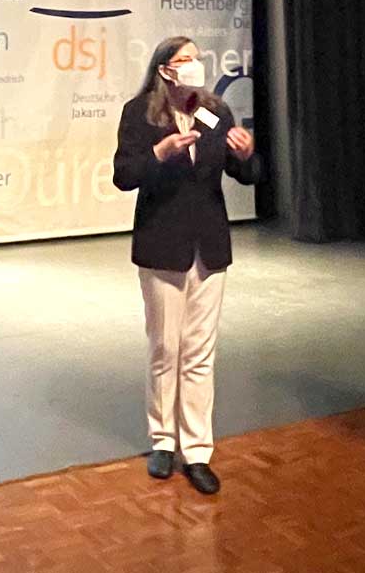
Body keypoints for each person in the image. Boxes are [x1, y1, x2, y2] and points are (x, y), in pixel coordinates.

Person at [113, 36, 262, 494]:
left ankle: (197, 450)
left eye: (198, 59)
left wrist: (246, 154)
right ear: (165, 70)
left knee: (199, 353)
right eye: (185, 60)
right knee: (166, 348)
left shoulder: (216, 111)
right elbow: (124, 175)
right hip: (163, 244)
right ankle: (162, 441)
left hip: (208, 245)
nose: (195, 66)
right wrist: (160, 155)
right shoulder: (140, 113)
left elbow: (248, 175)